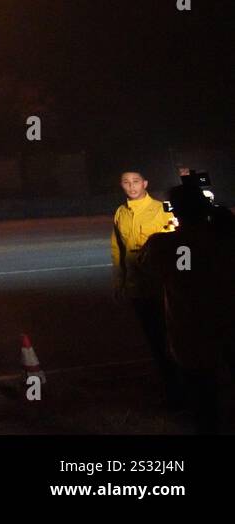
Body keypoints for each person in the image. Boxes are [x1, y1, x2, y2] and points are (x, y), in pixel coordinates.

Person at [138, 177, 228, 432]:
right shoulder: (223, 239)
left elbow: (145, 265)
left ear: (176, 211)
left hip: (190, 332)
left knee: (203, 398)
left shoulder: (165, 245)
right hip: (226, 323)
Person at [110, 170, 179, 402]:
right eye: (126, 183)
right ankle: (169, 386)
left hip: (160, 287)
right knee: (154, 340)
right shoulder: (120, 213)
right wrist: (120, 282)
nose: (131, 186)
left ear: (146, 183)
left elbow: (175, 244)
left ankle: (180, 388)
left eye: (136, 181)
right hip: (137, 289)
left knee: (172, 339)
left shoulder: (161, 209)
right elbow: (118, 249)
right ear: (122, 186)